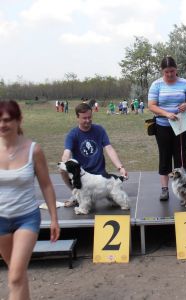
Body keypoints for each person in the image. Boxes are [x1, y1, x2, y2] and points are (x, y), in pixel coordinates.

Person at [0, 100, 60, 299]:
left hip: (26, 218)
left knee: (15, 276)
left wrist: (54, 219)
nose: (2, 125)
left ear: (19, 120)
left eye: (7, 120)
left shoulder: (33, 150)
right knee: (17, 274)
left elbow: (46, 185)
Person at [148, 56, 186, 201]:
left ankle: (184, 190)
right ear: (162, 71)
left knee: (180, 156)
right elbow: (151, 105)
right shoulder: (156, 85)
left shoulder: (184, 83)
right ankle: (165, 190)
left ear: (177, 69)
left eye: (172, 71)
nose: (170, 74)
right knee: (165, 156)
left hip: (181, 125)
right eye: (166, 72)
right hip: (162, 126)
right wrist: (166, 114)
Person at [60, 103, 128, 205]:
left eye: (89, 117)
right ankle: (75, 192)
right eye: (84, 118)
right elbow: (67, 152)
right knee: (62, 170)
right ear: (77, 118)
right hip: (82, 175)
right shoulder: (72, 134)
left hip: (99, 175)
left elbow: (109, 149)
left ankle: (100, 194)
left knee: (116, 203)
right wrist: (64, 163)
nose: (88, 121)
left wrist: (120, 167)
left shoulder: (99, 130)